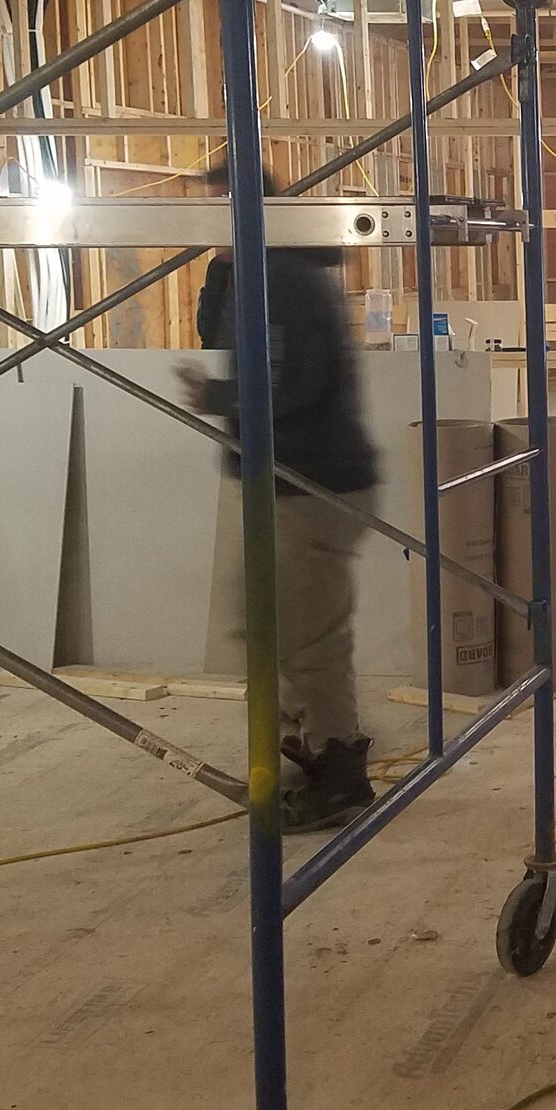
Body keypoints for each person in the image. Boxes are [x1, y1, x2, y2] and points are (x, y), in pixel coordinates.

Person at [180, 160, 380, 831]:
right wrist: (221, 267)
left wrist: (219, 396)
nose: (214, 223)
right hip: (288, 476)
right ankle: (316, 738)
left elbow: (288, 384)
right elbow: (219, 339)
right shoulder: (256, 272)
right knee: (265, 623)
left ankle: (341, 772)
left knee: (306, 638)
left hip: (311, 479)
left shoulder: (287, 280)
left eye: (222, 208)